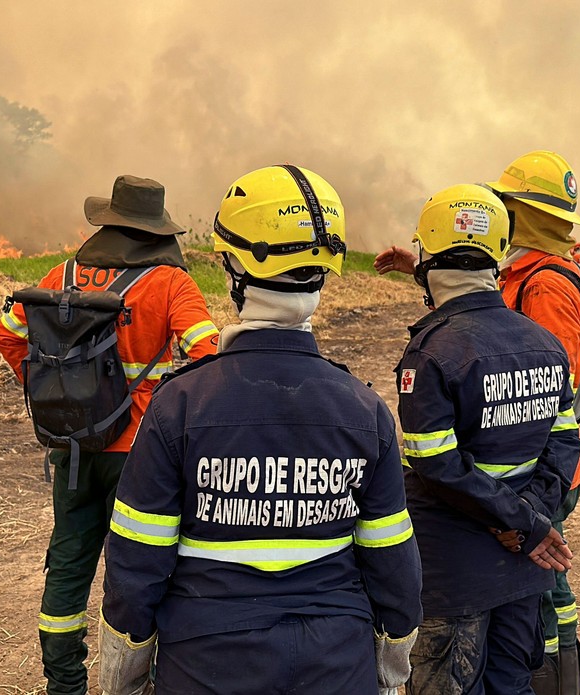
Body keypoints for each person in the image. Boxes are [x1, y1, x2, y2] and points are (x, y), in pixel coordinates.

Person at [98, 164, 423, 695]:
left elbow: (135, 568)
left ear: (232, 271)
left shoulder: (177, 405)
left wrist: (124, 681)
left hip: (207, 669)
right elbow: (395, 569)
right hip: (336, 667)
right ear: (324, 274)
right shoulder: (365, 411)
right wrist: (388, 673)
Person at [0, 174, 220, 695]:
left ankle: (65, 683)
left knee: (69, 561)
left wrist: (50, 392)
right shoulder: (171, 284)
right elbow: (207, 355)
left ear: (108, 222)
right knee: (140, 568)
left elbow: (5, 334)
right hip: (140, 454)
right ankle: (140, 680)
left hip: (71, 448)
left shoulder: (58, 275)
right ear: (157, 231)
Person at [374, 151, 580, 695]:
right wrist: (533, 521)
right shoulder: (539, 341)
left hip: (454, 577)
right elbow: (565, 439)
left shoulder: (430, 355)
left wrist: (516, 522)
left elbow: (437, 467)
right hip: (520, 569)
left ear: (427, 258)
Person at [488, 151, 580, 695]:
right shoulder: (531, 273)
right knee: (545, 577)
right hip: (539, 464)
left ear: (524, 214)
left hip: (539, 467)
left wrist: (521, 490)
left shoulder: (546, 286)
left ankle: (554, 680)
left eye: (507, 203)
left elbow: (548, 390)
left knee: (544, 584)